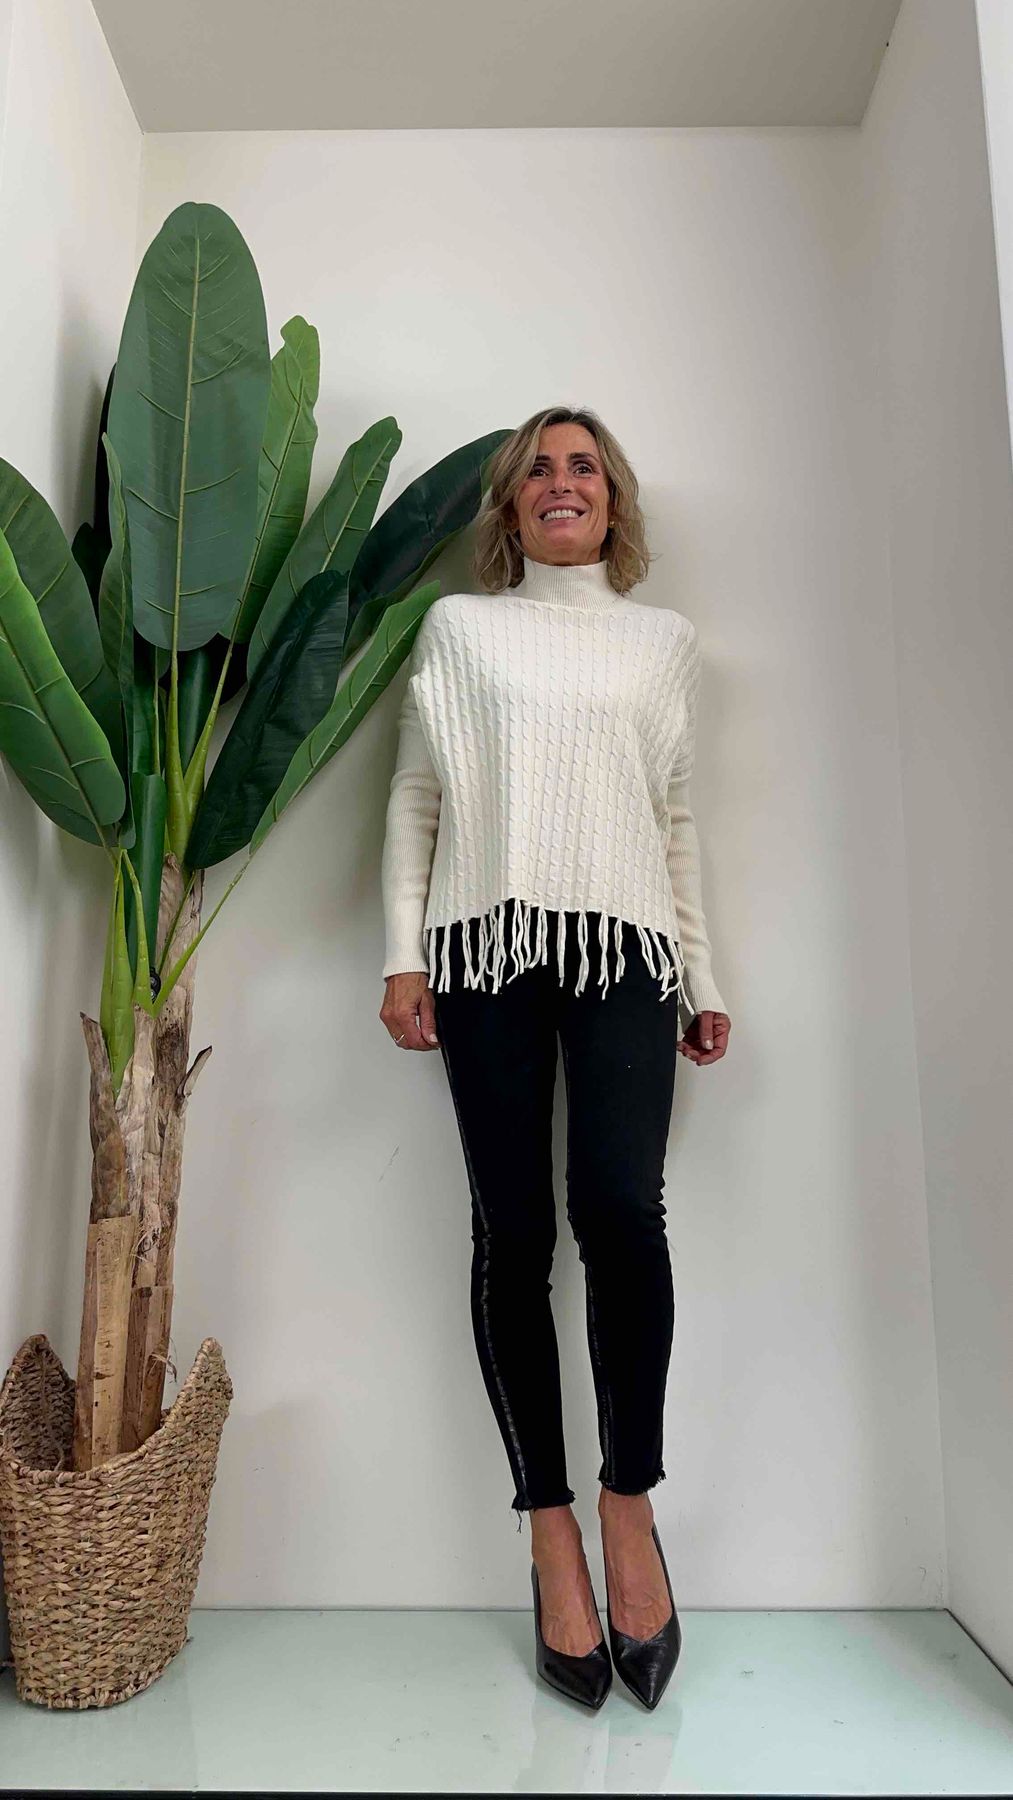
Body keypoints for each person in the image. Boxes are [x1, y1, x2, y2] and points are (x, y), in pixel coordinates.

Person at [378, 405, 731, 1709]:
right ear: (511, 506)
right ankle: (548, 1529)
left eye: (583, 466)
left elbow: (673, 815)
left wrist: (701, 973)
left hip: (627, 951)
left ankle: (628, 1505)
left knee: (621, 1213)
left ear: (613, 501)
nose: (560, 481)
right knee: (513, 1231)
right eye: (538, 468)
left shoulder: (662, 643)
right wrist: (401, 957)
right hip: (485, 949)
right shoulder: (460, 631)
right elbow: (416, 795)